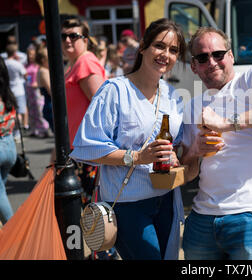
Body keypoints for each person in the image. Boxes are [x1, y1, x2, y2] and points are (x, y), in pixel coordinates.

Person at [70, 18, 187, 260]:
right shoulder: (115, 91)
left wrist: (177, 154)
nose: (166, 55)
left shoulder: (172, 94)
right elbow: (86, 147)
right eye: (159, 46)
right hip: (128, 204)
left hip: (167, 199)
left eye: (173, 50)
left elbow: (180, 143)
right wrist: (136, 157)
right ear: (143, 46)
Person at [180, 27, 252, 260]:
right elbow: (189, 173)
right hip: (202, 217)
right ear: (194, 66)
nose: (212, 62)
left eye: (218, 54)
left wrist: (226, 124)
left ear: (231, 56)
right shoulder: (193, 105)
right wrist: (194, 151)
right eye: (203, 58)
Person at [61, 18, 107, 203]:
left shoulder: (85, 63)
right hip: (78, 149)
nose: (67, 40)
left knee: (86, 212)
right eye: (63, 36)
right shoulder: (76, 64)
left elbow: (103, 107)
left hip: (87, 152)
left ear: (85, 40)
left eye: (73, 35)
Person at [0, 57, 17, 225]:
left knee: (0, 193)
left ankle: (13, 230)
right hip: (10, 145)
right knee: (1, 190)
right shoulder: (7, 94)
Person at [25, 45, 49, 138]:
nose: (30, 56)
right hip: (29, 90)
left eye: (32, 54)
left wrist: (36, 83)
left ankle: (44, 128)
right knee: (32, 111)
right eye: (29, 54)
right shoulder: (27, 65)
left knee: (39, 110)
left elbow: (40, 78)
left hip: (37, 91)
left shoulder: (38, 66)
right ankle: (34, 129)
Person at [4, 44, 28, 141]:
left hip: (9, 90)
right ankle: (17, 133)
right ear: (14, 53)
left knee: (11, 112)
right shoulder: (17, 64)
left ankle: (12, 132)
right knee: (19, 112)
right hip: (18, 90)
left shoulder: (5, 63)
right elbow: (25, 75)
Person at [36, 47, 53, 134]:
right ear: (43, 60)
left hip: (49, 104)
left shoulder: (44, 70)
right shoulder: (43, 71)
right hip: (50, 105)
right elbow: (51, 90)